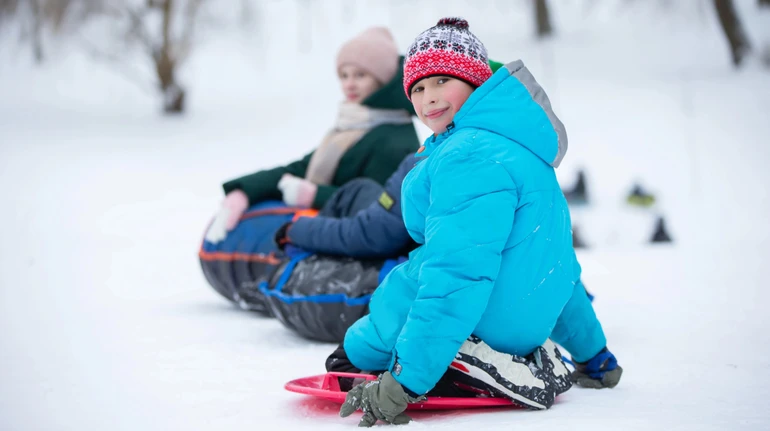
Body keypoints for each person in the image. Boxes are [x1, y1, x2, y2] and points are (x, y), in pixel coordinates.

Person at [336, 18, 622, 427]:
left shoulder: (467, 155)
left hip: (485, 326)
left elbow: (456, 275)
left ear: (474, 82)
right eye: (417, 88)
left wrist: (405, 383)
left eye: (441, 82)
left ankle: (384, 356)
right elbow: (556, 270)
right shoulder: (524, 151)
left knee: (376, 324)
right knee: (525, 255)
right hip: (524, 327)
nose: (428, 98)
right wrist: (595, 356)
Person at [205, 26, 420, 243]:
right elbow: (300, 168)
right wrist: (243, 191)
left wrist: (314, 195)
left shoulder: (394, 138)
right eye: (344, 75)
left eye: (360, 75)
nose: (349, 84)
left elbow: (382, 208)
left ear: (382, 79)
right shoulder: (353, 126)